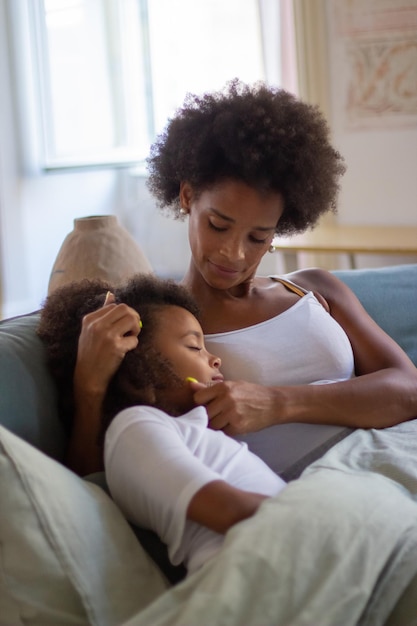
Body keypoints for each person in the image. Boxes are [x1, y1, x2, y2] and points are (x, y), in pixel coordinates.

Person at [70, 79, 417, 477]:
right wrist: (89, 387)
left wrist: (278, 403)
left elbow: (409, 389)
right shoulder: (165, 329)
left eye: (258, 237)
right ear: (187, 197)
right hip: (316, 498)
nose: (234, 254)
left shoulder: (313, 287)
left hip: (392, 458)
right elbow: (108, 472)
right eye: (218, 225)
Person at [37, 275, 286, 575]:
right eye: (194, 347)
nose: (216, 359)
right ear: (139, 367)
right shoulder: (136, 428)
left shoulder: (189, 430)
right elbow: (233, 512)